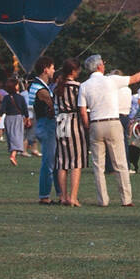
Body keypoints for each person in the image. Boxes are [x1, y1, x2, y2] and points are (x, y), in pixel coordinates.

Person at [78, 52, 140, 207]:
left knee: (98, 165)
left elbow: (83, 111)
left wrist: (88, 127)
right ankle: (126, 199)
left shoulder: (84, 86)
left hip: (95, 123)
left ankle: (103, 199)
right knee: (121, 163)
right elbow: (135, 78)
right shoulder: (111, 80)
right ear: (100, 66)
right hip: (113, 122)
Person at [53, 59, 87, 206]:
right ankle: (73, 197)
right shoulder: (78, 87)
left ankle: (63, 196)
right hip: (74, 121)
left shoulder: (57, 87)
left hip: (60, 121)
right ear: (74, 71)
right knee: (76, 161)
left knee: (62, 161)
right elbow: (81, 107)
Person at [30, 58, 59, 204]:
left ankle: (60, 193)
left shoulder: (40, 86)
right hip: (46, 124)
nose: (54, 71)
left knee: (54, 161)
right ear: (45, 69)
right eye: (52, 68)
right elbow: (53, 105)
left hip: (44, 124)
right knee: (49, 162)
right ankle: (44, 195)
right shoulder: (40, 88)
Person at [3, 78, 28, 165]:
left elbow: (2, 109)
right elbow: (25, 108)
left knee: (10, 136)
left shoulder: (6, 98)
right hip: (17, 118)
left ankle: (12, 155)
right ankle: (13, 155)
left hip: (8, 118)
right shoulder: (20, 97)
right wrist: (27, 118)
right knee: (17, 136)